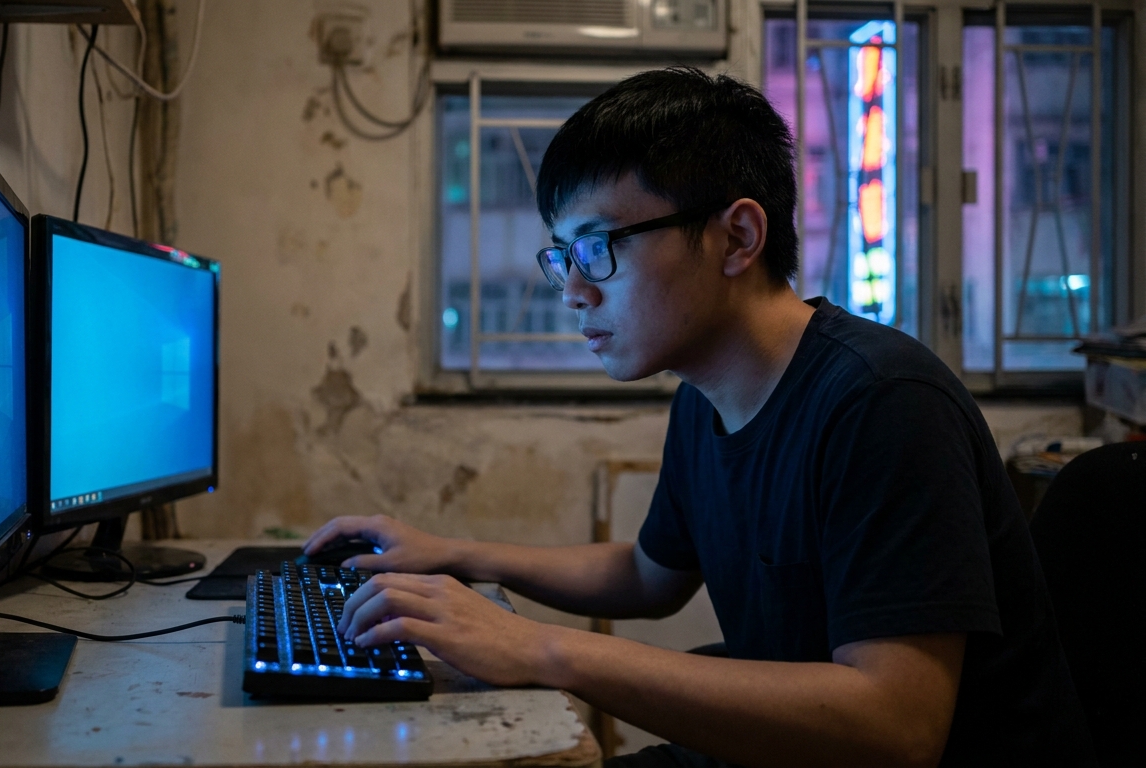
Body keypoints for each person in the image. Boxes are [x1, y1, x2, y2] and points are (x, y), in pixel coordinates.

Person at [305, 67, 1094, 768]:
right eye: (563, 258)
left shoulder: (882, 403)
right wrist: (456, 554)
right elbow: (649, 576)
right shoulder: (704, 397)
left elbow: (897, 726)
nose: (574, 290)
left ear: (737, 237)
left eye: (598, 247)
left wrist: (540, 648)